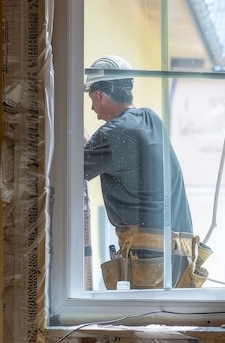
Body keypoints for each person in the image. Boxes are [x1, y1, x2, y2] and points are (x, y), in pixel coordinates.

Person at [84, 55, 207, 289]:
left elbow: (70, 171)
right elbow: (118, 153)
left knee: (142, 324)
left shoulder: (111, 135)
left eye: (91, 99)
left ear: (99, 95)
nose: (92, 108)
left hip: (149, 262)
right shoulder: (151, 119)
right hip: (179, 259)